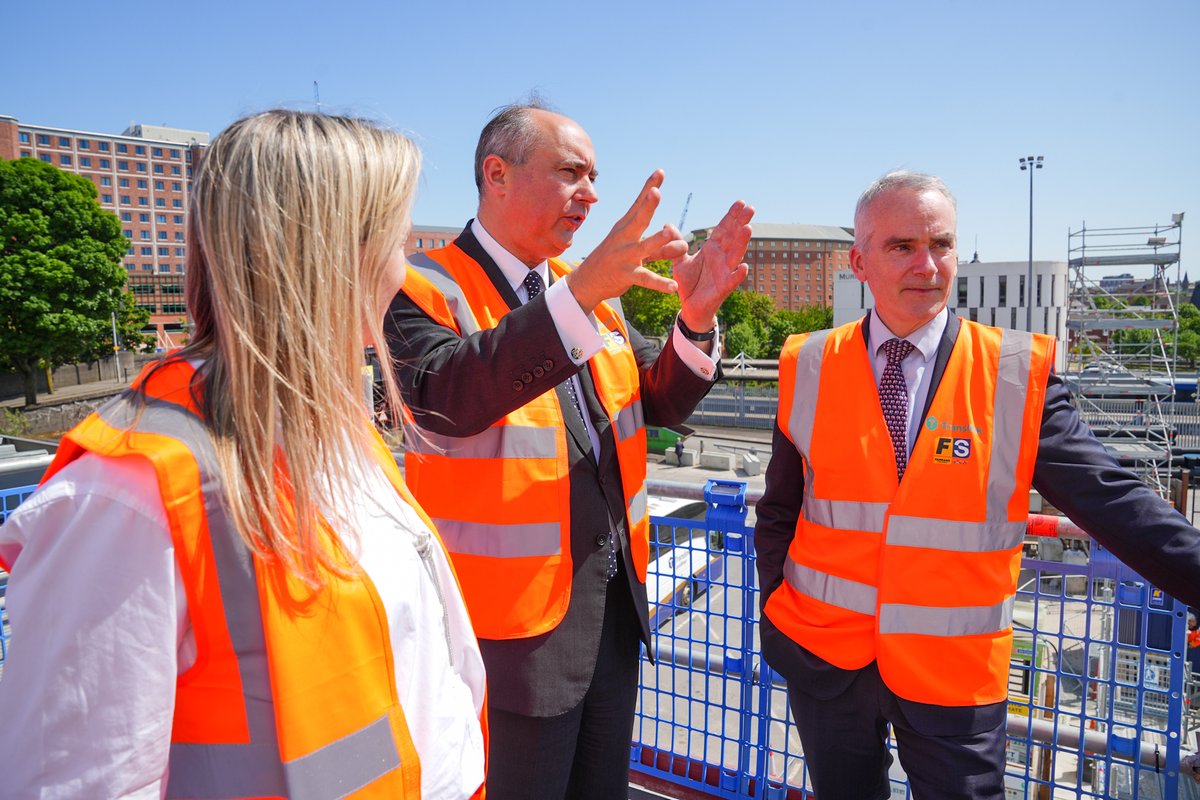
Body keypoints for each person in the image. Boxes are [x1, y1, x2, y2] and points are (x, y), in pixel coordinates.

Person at [0, 110, 487, 799]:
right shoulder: (130, 499)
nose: (405, 276)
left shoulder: (336, 436)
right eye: (395, 243)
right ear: (324, 256)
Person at [754, 170, 1200, 800]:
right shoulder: (809, 364)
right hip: (825, 659)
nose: (927, 265)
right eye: (902, 246)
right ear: (859, 261)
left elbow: (1110, 498)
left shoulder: (1015, 373)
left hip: (954, 677)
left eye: (941, 244)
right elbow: (779, 509)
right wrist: (775, 608)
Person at [383, 99, 753, 799]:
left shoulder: (588, 295)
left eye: (594, 176)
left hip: (612, 618)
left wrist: (695, 319)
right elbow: (448, 396)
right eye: (570, 173)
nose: (590, 194)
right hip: (505, 636)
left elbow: (658, 400)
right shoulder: (422, 285)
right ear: (497, 173)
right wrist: (579, 294)